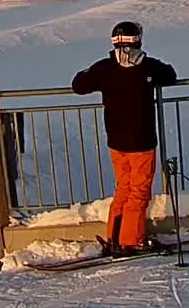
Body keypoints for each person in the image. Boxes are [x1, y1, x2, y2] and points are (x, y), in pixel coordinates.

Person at [71, 21, 178, 255]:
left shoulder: (105, 68)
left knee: (124, 188)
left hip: (116, 141)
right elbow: (170, 75)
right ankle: (131, 240)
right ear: (138, 40)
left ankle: (115, 236)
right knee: (138, 192)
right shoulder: (148, 67)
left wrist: (90, 73)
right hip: (141, 141)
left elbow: (78, 85)